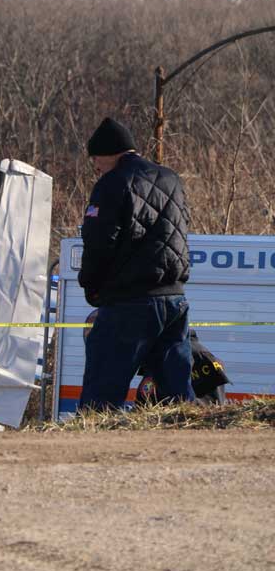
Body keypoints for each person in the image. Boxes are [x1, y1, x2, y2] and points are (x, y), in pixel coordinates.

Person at [78, 117, 195, 411]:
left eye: (96, 160)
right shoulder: (172, 179)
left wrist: (91, 285)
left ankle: (93, 451)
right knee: (177, 395)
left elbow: (98, 241)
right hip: (174, 298)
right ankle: (192, 444)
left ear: (107, 154)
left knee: (102, 394)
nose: (95, 167)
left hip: (130, 301)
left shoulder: (112, 183)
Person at [136, 330, 230, 406]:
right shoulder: (207, 356)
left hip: (180, 419)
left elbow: (145, 399)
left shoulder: (165, 355)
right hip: (211, 418)